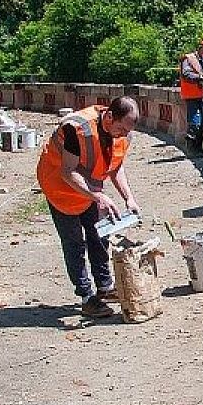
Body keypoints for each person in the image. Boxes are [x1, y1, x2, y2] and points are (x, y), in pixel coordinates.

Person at [36, 96, 141, 318]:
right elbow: (68, 172)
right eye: (120, 129)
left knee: (99, 235)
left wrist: (128, 198)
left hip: (90, 191)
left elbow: (115, 167)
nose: (123, 134)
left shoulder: (122, 134)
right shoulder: (78, 129)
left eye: (126, 131)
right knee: (74, 243)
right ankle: (86, 297)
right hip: (60, 189)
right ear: (110, 116)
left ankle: (104, 286)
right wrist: (97, 196)